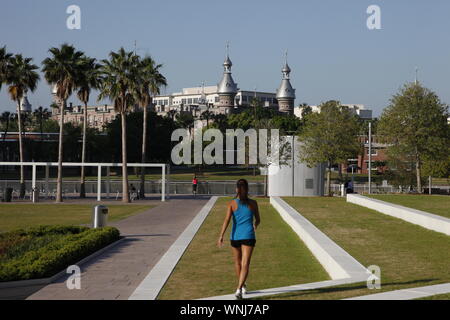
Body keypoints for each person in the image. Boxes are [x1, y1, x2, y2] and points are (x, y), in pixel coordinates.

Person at [217, 179, 261, 300]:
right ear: (247, 189)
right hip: (248, 236)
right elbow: (258, 219)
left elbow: (226, 220)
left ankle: (240, 287)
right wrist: (255, 224)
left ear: (236, 189)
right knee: (245, 263)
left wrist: (221, 235)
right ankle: (240, 287)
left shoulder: (232, 203)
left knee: (238, 262)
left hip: (235, 236)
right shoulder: (253, 203)